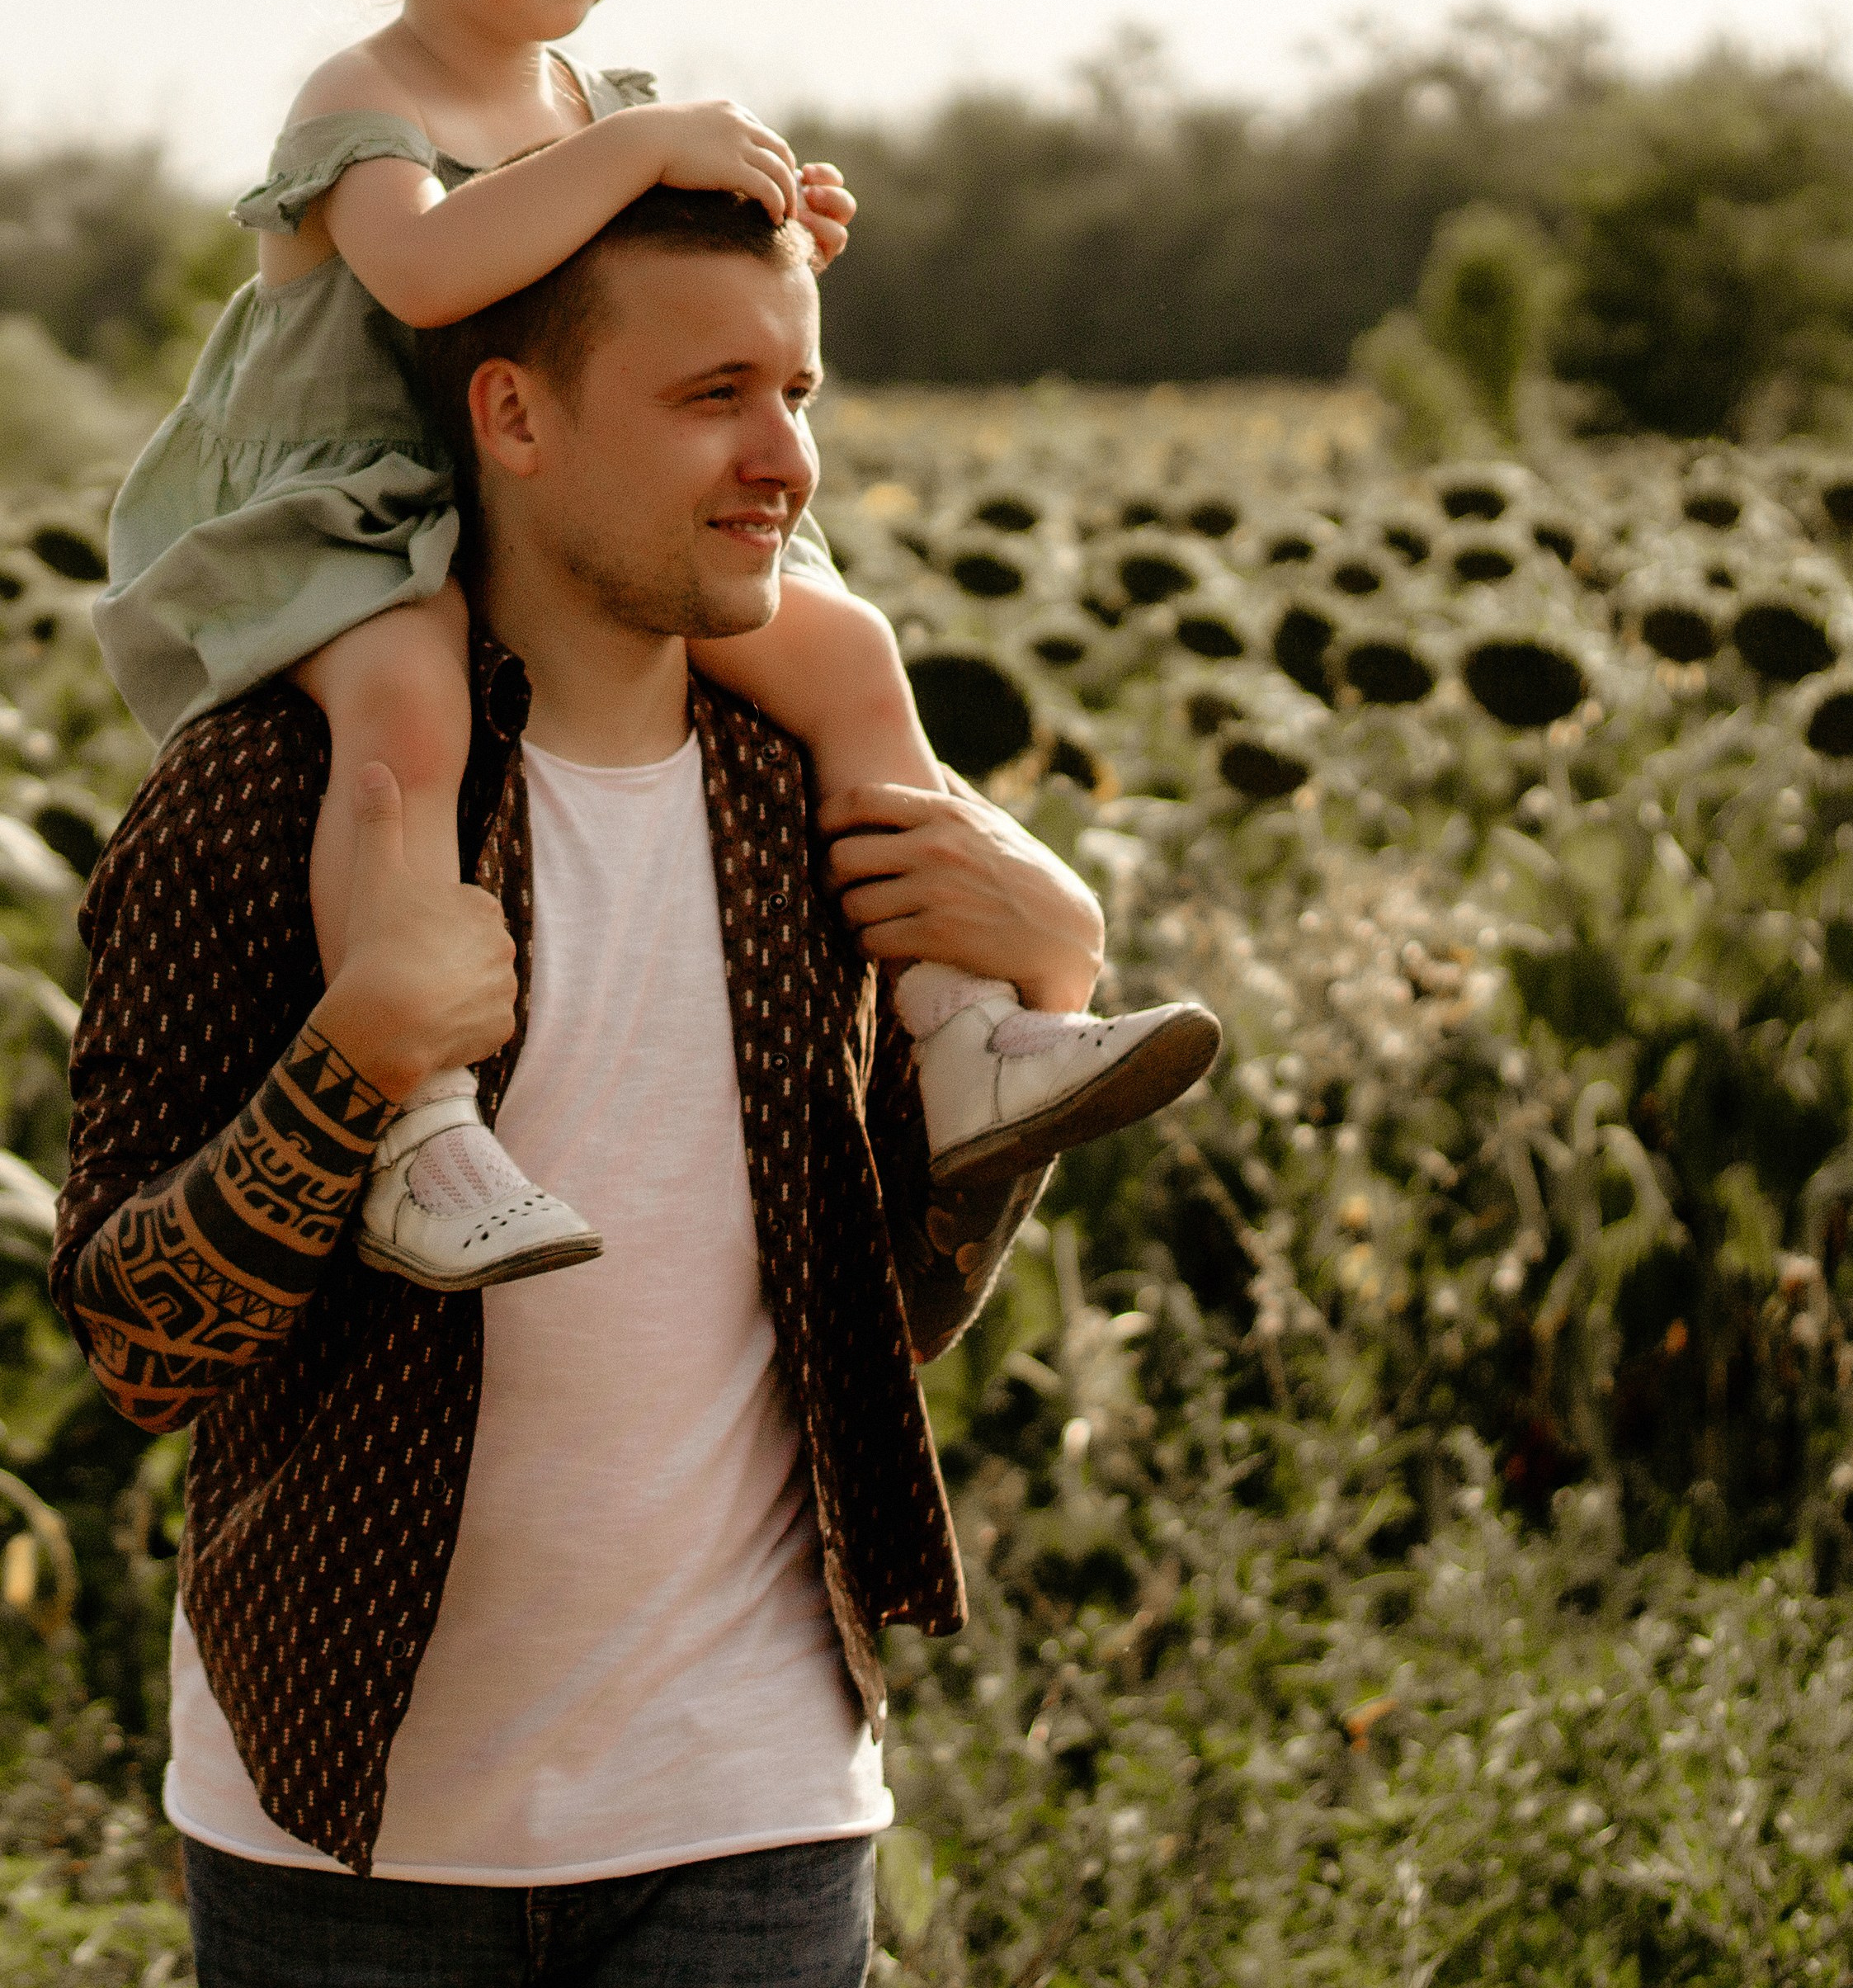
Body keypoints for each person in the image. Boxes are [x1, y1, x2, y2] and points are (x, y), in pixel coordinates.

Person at [52, 184, 1144, 1985]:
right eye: (715, 394)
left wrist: (1051, 972)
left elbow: (893, 1313)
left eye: (800, 394)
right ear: (515, 416)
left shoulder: (822, 808)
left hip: (753, 1802)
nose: (782, 458)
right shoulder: (270, 800)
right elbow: (137, 1351)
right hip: (347, 1823)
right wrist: (352, 1071)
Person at [92, 0, 1219, 1291]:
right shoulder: (370, 96)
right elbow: (421, 278)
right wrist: (638, 151)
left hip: (533, 512)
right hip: (360, 509)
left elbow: (644, 288)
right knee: (402, 722)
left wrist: (758, 223)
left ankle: (963, 1024)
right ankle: (418, 1120)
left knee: (851, 652)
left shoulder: (588, 104)